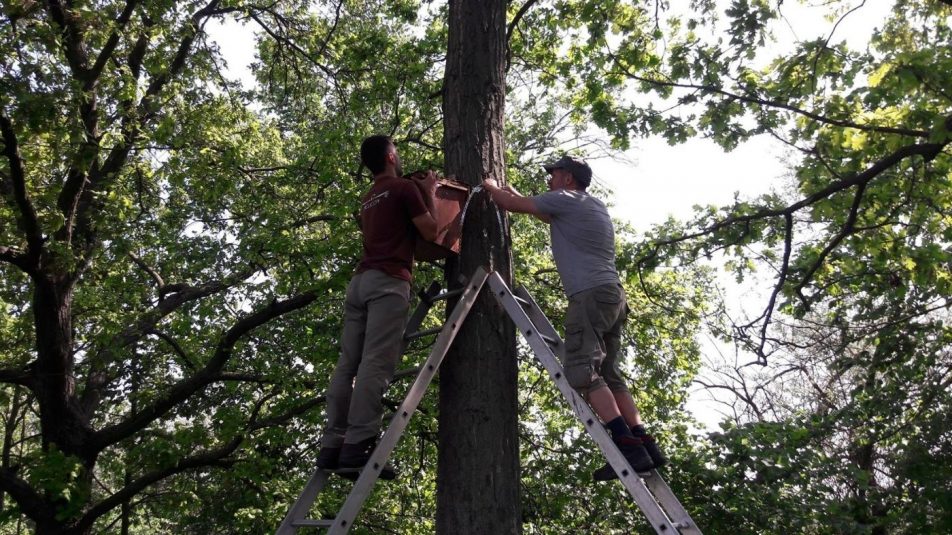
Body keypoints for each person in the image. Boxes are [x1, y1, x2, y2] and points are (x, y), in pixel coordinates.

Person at [481, 155, 667, 480]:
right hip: (611, 296)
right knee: (609, 374)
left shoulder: (564, 198)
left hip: (589, 296)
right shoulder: (589, 205)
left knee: (582, 371)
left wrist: (490, 186)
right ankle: (644, 443)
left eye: (553, 174)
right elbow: (538, 212)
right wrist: (510, 192)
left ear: (568, 178)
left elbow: (509, 204)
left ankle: (628, 446)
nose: (549, 180)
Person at [315, 135, 438, 479]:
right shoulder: (402, 189)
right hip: (387, 282)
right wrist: (429, 190)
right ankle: (359, 445)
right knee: (375, 363)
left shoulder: (368, 198)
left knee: (347, 365)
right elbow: (429, 231)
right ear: (389, 156)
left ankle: (333, 444)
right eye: (396, 151)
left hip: (360, 284)